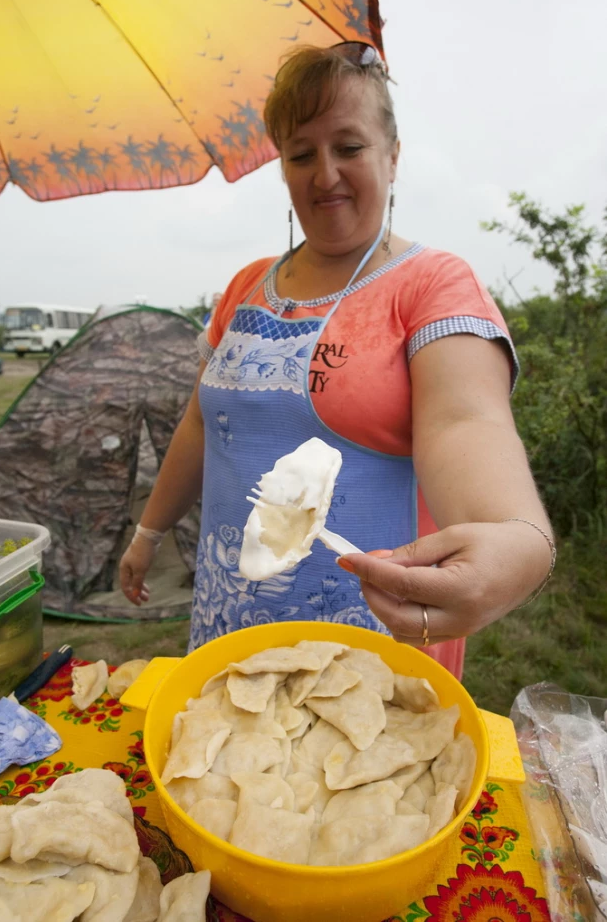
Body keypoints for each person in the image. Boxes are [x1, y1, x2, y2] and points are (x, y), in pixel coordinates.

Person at [119, 43, 554, 680]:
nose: (324, 175)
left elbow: (466, 422)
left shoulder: (432, 284)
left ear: (393, 155)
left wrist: (516, 535)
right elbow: (201, 424)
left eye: (348, 147)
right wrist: (149, 532)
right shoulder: (246, 287)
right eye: (301, 154)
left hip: (369, 639)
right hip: (230, 612)